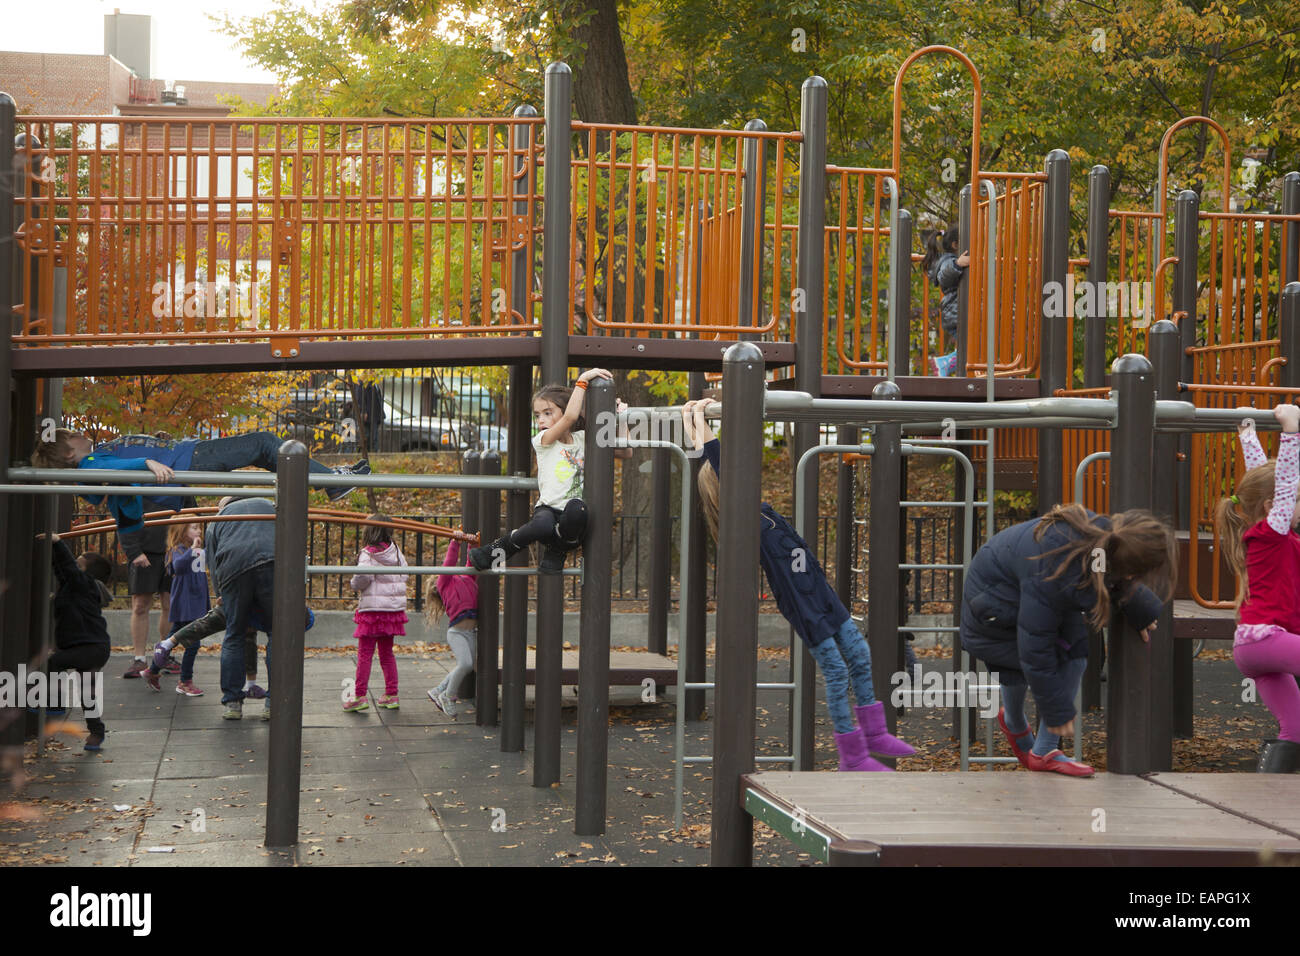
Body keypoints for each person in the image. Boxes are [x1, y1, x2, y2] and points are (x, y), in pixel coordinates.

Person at [682, 400, 916, 772]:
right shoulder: (744, 521)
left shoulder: (762, 511)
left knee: (860, 654)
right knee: (838, 672)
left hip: (819, 592)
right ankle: (852, 755)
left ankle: (874, 733)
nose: (748, 474)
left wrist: (695, 418)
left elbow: (716, 460)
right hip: (803, 605)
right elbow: (721, 464)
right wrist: (700, 424)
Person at [961, 503, 1175, 776]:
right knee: (1032, 663)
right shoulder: (1051, 569)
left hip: (1016, 590)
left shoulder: (1110, 537)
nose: (1133, 578)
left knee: (1074, 656)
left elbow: (1112, 574)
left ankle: (1041, 748)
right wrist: (1057, 711)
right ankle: (1026, 733)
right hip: (992, 609)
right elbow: (1035, 649)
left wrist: (1139, 606)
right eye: (1134, 574)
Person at [469, 368, 631, 574]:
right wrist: (582, 381)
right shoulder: (543, 440)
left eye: (548, 413)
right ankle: (499, 548)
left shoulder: (583, 439)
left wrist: (623, 417)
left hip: (572, 522)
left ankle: (557, 551)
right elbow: (570, 417)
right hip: (547, 510)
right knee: (542, 525)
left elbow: (625, 452)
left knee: (577, 509)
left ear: (564, 409)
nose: (541, 420)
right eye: (537, 415)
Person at [1214, 405, 1300, 772]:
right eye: (1295, 500)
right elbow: (1280, 483)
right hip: (1268, 639)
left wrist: (1248, 435)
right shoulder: (1272, 534)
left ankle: (1268, 796)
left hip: (1253, 649)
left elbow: (1260, 481)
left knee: (1295, 727)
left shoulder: (1265, 533)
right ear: (1273, 507)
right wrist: (1292, 430)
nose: (1296, 505)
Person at [205, 496, 277, 720]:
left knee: (234, 633)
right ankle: (274, 702)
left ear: (223, 506)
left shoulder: (218, 518)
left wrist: (221, 594)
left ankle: (233, 702)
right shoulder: (268, 506)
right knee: (277, 633)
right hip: (272, 562)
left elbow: (212, 561)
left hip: (234, 567)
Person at [46, 536, 113, 751]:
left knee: (53, 663)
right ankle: (96, 732)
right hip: (87, 646)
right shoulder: (72, 586)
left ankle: (56, 704)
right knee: (87, 693)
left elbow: (68, 568)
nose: (75, 564)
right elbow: (62, 569)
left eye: (80, 563)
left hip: (92, 647)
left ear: (87, 572)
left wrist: (57, 543)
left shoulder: (86, 585)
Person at [346, 515, 409, 712]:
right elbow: (405, 573)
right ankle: (391, 693)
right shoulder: (396, 552)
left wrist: (354, 585)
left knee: (365, 653)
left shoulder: (369, 554)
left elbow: (362, 576)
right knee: (386, 653)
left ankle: (359, 695)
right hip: (391, 611)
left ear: (369, 531)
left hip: (373, 611)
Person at [144, 521, 210, 695]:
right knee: (193, 643)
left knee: (171, 640)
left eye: (199, 528)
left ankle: (152, 671)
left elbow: (201, 576)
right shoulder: (178, 550)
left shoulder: (198, 549)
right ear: (182, 531)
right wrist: (192, 550)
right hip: (185, 602)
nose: (198, 531)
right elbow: (179, 567)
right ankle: (185, 681)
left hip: (196, 601)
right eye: (194, 528)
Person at [426, 534, 479, 718]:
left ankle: (438, 689)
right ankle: (448, 696)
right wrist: (455, 542)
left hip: (471, 632)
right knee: (465, 664)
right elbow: (449, 563)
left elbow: (471, 564)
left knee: (468, 666)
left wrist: (472, 545)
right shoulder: (445, 583)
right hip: (457, 633)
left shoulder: (468, 578)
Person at [920, 227, 970, 377]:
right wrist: (958, 264)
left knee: (968, 346)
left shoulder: (948, 259)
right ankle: (945, 363)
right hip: (956, 313)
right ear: (956, 245)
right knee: (971, 346)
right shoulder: (948, 261)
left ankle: (948, 364)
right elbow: (944, 276)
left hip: (956, 312)